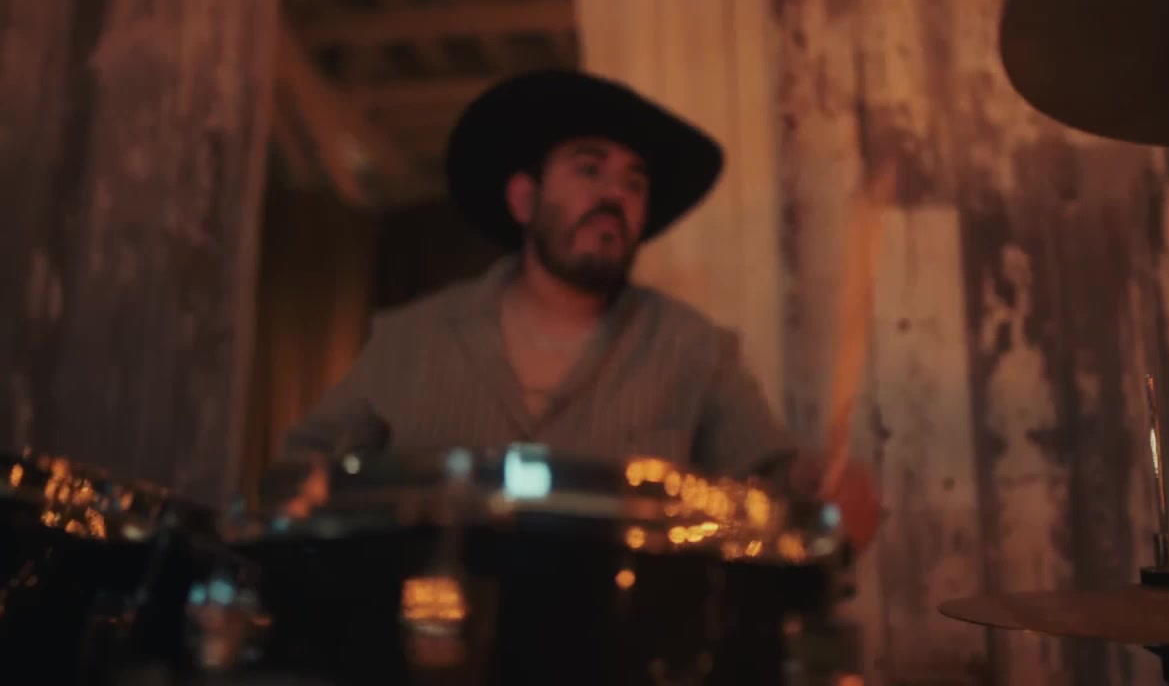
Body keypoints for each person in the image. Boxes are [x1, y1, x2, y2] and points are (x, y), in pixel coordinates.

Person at [271, 69, 879, 553]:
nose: (615, 193)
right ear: (524, 199)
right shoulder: (411, 339)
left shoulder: (695, 350)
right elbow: (299, 474)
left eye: (634, 183)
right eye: (589, 169)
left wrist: (820, 484)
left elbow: (769, 479)